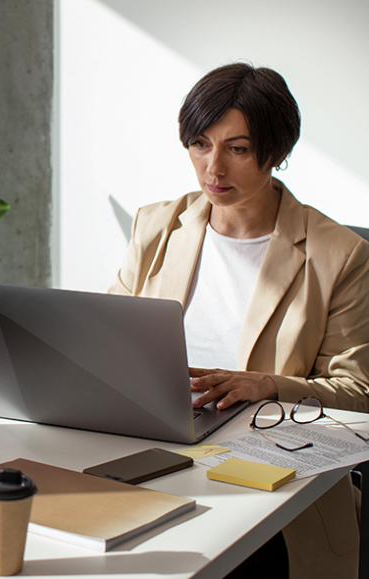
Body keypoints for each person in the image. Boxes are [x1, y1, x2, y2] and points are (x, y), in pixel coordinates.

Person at [110, 63, 369, 578]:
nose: (213, 169)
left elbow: (359, 390)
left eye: (238, 149)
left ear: (277, 152)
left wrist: (269, 385)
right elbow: (107, 341)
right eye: (200, 144)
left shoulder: (339, 254)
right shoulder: (156, 224)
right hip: (156, 455)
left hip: (275, 484)